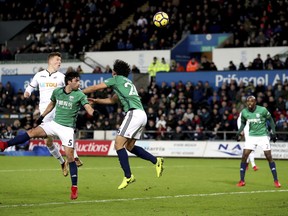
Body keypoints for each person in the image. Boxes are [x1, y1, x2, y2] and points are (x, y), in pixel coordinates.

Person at [0, 71, 99, 199]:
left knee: (70, 156)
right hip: (54, 124)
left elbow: (87, 107)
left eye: (79, 81)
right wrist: (42, 116)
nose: (79, 83)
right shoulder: (57, 91)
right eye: (77, 81)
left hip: (67, 129)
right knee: (31, 132)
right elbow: (51, 104)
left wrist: (93, 112)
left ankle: (74, 187)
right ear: (69, 82)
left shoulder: (79, 94)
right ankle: (4, 144)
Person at [83, 59, 164, 190]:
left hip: (133, 114)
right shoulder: (127, 82)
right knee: (130, 147)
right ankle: (156, 161)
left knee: (118, 144)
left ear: (115, 72)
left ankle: (128, 176)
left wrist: (79, 93)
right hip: (142, 115)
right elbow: (112, 100)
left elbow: (94, 87)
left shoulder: (116, 79)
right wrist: (96, 100)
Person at [24, 52, 83, 173]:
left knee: (66, 132)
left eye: (60, 60)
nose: (59, 62)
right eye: (57, 60)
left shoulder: (61, 76)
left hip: (58, 109)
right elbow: (30, 87)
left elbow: (73, 88)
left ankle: (75, 157)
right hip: (44, 112)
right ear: (50, 61)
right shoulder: (39, 75)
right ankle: (62, 162)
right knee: (48, 141)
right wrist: (27, 92)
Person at [235, 95, 280, 188]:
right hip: (251, 137)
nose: (249, 103)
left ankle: (276, 181)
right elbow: (243, 123)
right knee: (244, 156)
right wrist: (239, 132)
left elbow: (271, 120)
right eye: (248, 101)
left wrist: (274, 133)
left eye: (251, 101)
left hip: (263, 136)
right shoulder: (244, 112)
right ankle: (242, 181)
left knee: (268, 156)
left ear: (255, 102)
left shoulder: (263, 110)